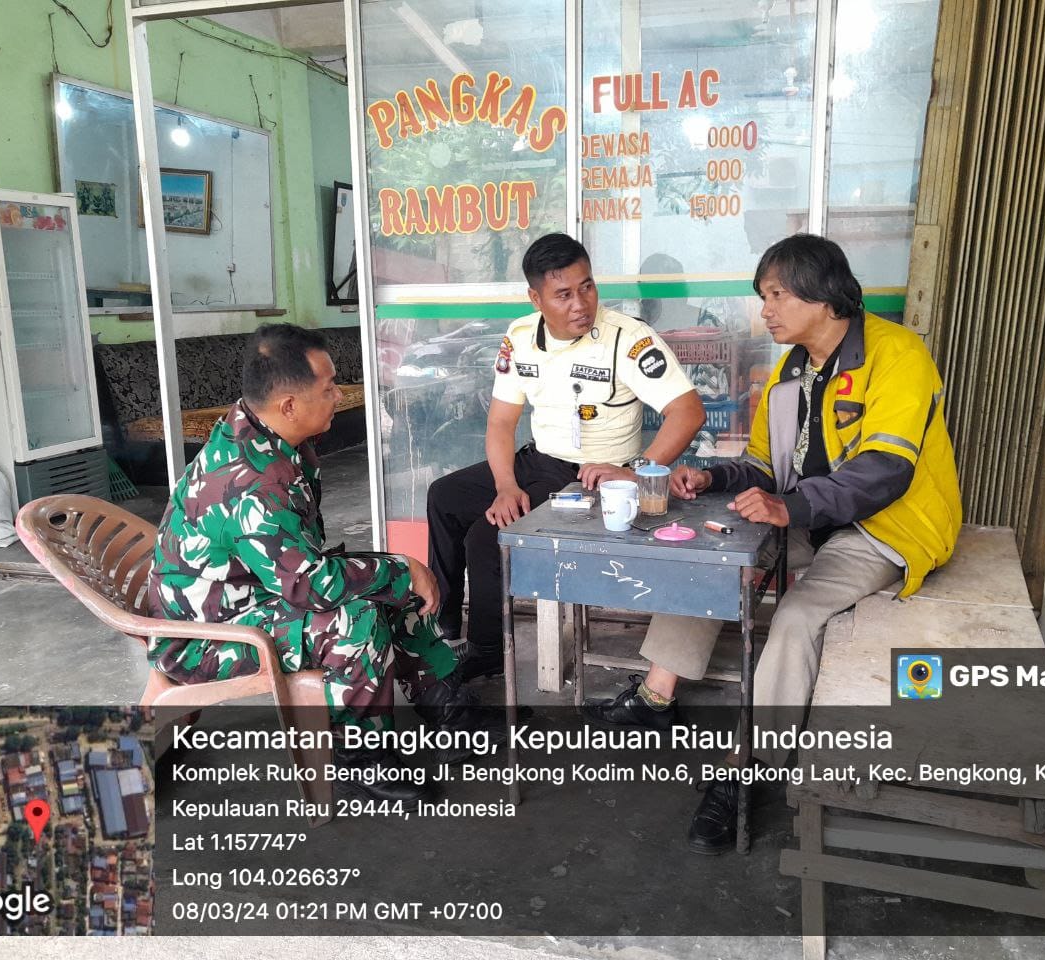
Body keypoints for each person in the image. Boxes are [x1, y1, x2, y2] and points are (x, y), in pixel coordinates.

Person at [583, 234, 962, 853]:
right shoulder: (792, 370)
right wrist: (712, 477)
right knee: (708, 559)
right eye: (764, 297)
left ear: (824, 295)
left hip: (885, 526)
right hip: (807, 518)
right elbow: (764, 463)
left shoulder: (898, 354)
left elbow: (886, 470)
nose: (766, 310)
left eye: (777, 295)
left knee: (796, 617)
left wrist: (790, 507)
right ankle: (656, 695)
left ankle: (751, 767)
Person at [149, 323, 491, 808]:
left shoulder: (268, 433)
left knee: (384, 582)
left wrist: (398, 571)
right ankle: (360, 761)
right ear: (289, 404)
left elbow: (299, 571)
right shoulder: (254, 481)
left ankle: (448, 713)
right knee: (354, 615)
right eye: (329, 388)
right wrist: (402, 569)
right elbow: (311, 588)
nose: (339, 395)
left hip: (255, 595)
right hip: (206, 638)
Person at [427, 234, 706, 681]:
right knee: (444, 496)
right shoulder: (521, 337)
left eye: (587, 286)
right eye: (563, 294)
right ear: (536, 298)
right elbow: (500, 423)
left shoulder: (627, 338)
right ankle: (440, 625)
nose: (581, 304)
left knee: (487, 537)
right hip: (538, 461)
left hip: (590, 478)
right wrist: (505, 485)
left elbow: (688, 412)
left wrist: (634, 472)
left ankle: (487, 651)